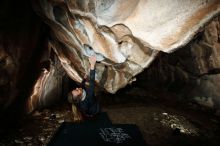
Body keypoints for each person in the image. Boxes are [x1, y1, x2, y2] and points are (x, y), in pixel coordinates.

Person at [67, 55, 100, 121]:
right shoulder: (88, 97)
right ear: (80, 96)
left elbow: (81, 86)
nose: (77, 88)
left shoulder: (79, 95)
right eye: (77, 90)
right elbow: (91, 82)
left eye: (75, 89)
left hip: (88, 106)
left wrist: (84, 79)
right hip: (94, 110)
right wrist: (92, 65)